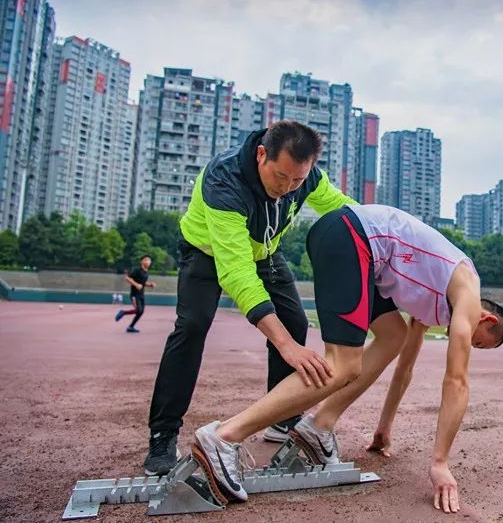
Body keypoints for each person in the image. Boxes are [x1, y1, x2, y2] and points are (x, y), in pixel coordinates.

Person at [191, 204, 503, 514]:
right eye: (479, 343)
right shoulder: (468, 292)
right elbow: (456, 381)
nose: (472, 345)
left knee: (392, 336)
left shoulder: (440, 306)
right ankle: (223, 436)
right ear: (488, 320)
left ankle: (319, 426)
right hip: (353, 236)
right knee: (344, 363)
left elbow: (405, 368)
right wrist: (440, 463)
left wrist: (384, 428)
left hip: (355, 245)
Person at [143, 121, 357, 476]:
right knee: (192, 327)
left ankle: (282, 416)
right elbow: (237, 273)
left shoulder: (308, 177)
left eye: (297, 182)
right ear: (261, 154)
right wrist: (286, 346)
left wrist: (380, 231)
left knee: (296, 322)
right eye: (281, 176)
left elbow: (342, 208)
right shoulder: (223, 180)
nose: (286, 189)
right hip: (206, 251)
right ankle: (163, 433)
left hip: (265, 251)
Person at [115, 255, 156, 333]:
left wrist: (150, 284)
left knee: (141, 312)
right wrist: (136, 285)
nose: (148, 261)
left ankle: (131, 327)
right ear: (142, 261)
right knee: (138, 310)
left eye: (149, 260)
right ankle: (123, 312)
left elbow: (142, 283)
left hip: (141, 295)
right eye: (146, 260)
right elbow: (127, 278)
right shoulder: (137, 270)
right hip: (135, 295)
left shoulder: (146, 272)